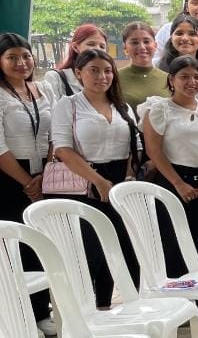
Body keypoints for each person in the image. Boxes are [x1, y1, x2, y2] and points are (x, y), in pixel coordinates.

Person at [49, 48, 140, 309]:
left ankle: (114, 307)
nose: (102, 76)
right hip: (83, 183)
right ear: (79, 73)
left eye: (108, 71)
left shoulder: (122, 106)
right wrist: (98, 181)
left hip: (119, 182)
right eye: (94, 71)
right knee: (90, 252)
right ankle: (82, 313)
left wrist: (129, 175)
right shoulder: (68, 105)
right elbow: (62, 149)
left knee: (124, 249)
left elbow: (135, 146)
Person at [138, 55, 198, 274]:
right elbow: (153, 150)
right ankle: (178, 290)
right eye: (184, 77)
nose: (192, 82)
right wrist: (178, 184)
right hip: (172, 180)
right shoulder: (159, 109)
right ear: (171, 80)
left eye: (197, 77)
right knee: (173, 241)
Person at [0, 33, 58, 335]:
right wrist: (27, 182)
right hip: (9, 178)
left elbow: (55, 132)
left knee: (38, 244)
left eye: (25, 55)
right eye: (11, 57)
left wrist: (45, 173)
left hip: (43, 175)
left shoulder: (43, 88)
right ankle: (15, 316)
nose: (21, 62)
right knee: (11, 247)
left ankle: (40, 311)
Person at [117, 22, 169, 112]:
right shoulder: (114, 78)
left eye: (146, 42)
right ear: (125, 48)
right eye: (135, 43)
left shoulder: (170, 80)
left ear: (155, 45)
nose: (142, 47)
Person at [44, 23, 107, 96]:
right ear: (75, 47)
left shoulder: (107, 79)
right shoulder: (55, 78)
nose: (97, 49)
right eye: (91, 44)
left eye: (102, 46)